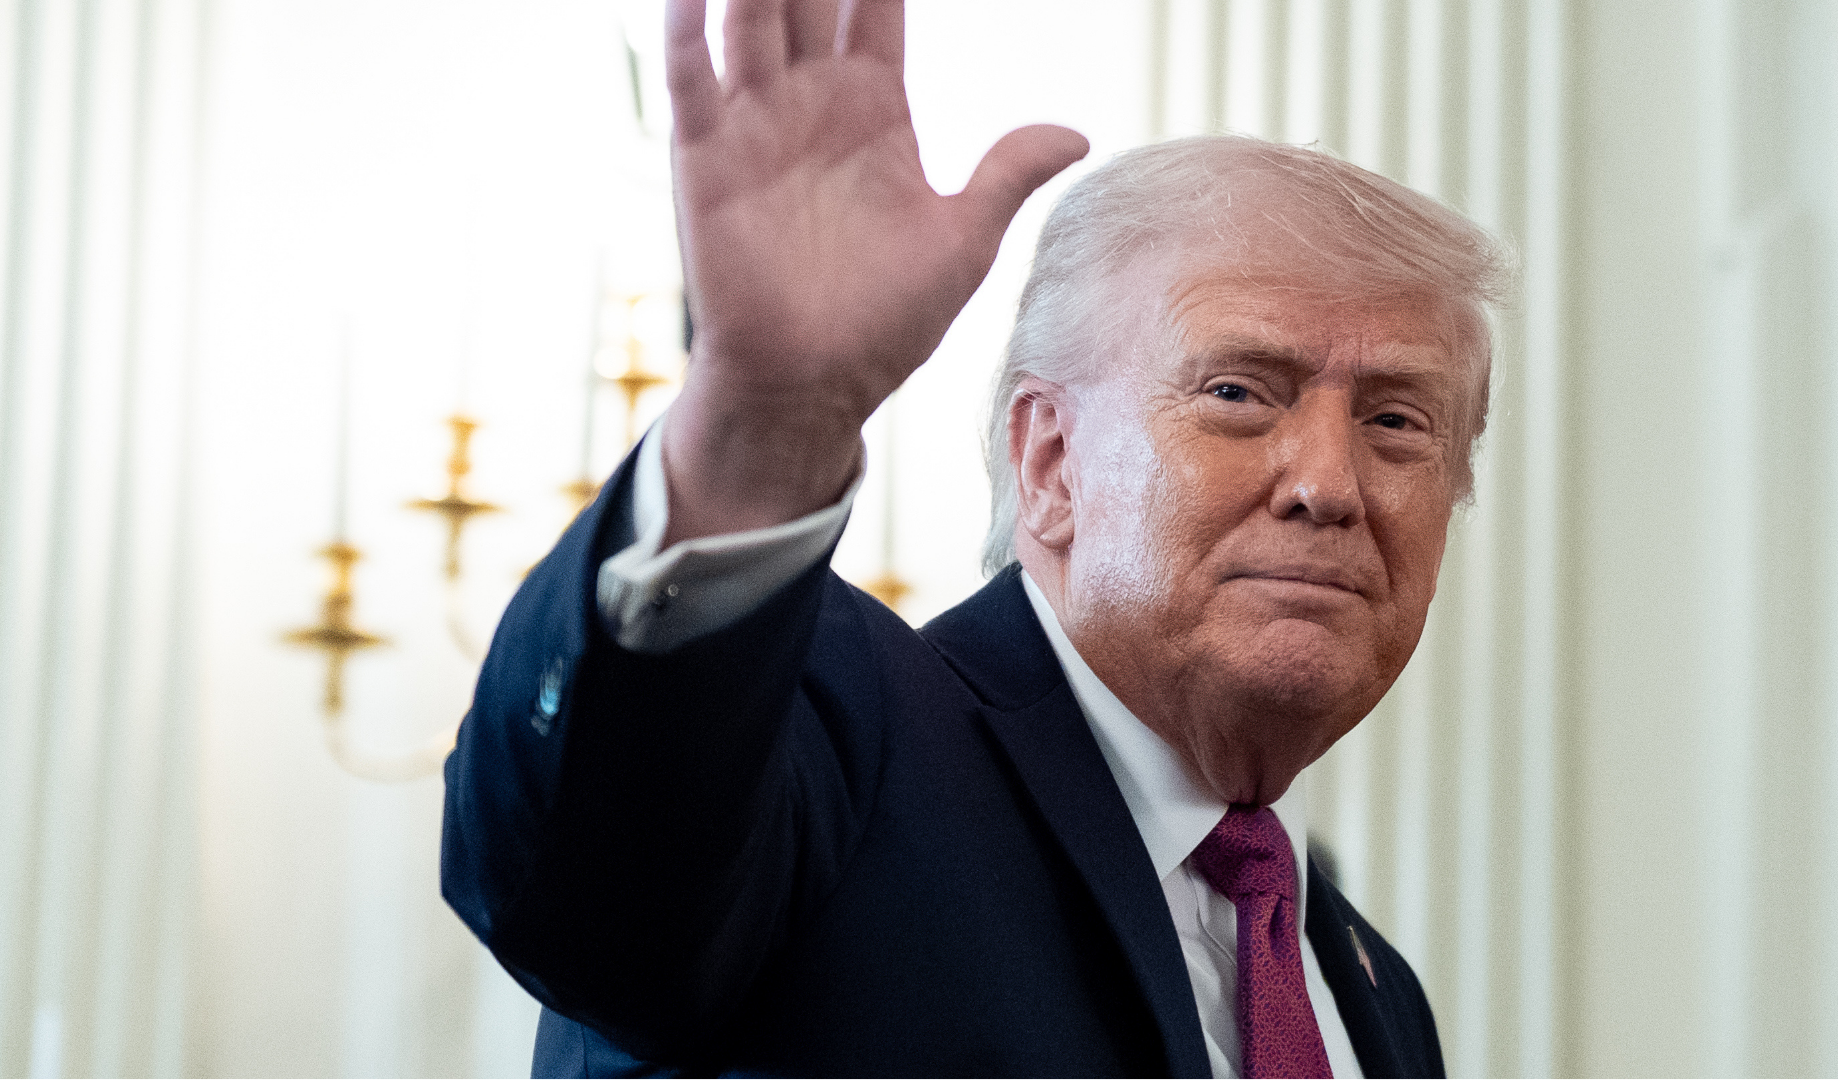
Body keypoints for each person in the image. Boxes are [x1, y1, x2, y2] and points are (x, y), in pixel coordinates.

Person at [441, 0, 1506, 1075]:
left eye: (1396, 421)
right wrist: (762, 432)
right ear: (1049, 464)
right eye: (1237, 392)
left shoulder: (1375, 995)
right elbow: (594, 905)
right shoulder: (833, 741)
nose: (1328, 484)